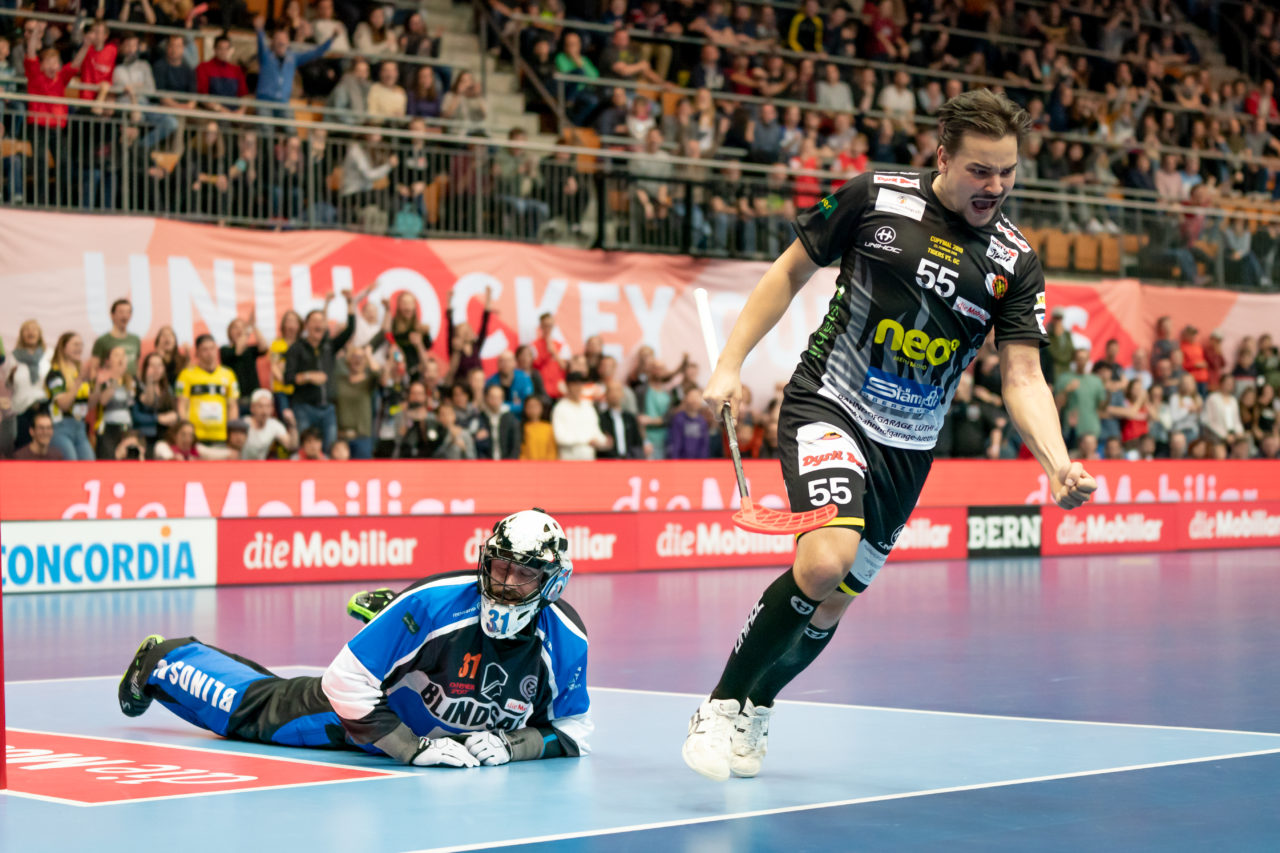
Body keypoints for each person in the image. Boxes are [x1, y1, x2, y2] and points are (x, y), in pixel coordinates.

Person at [680, 89, 1097, 783]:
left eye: (1008, 172)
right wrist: (730, 365)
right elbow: (789, 271)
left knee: (836, 597)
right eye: (980, 170)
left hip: (908, 446)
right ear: (943, 157)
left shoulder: (1015, 261)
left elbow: (1023, 375)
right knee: (824, 561)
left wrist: (1056, 463)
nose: (995, 186)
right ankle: (721, 704)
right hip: (832, 403)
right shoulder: (875, 195)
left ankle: (759, 703)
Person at [118, 509, 592, 767]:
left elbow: (573, 728)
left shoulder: (567, 639)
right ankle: (164, 660)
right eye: (500, 566)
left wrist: (514, 745)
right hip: (366, 722)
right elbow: (343, 683)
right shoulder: (436, 602)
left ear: (553, 582)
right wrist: (411, 748)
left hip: (448, 752)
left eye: (524, 574)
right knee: (253, 711)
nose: (505, 583)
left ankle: (386, 620)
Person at [285, 293, 357, 453]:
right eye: (315, 321)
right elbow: (288, 378)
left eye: (322, 321)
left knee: (330, 450)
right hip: (304, 407)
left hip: (328, 408)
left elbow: (350, 330)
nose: (319, 324)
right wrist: (308, 376)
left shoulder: (329, 346)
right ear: (306, 326)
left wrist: (350, 303)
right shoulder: (296, 348)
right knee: (305, 451)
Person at [175, 334, 241, 447]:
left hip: (221, 436)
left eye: (212, 348)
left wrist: (231, 431)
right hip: (195, 436)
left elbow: (232, 405)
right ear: (197, 353)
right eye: (205, 349)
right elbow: (182, 404)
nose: (209, 353)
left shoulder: (229, 374)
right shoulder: (186, 375)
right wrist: (186, 432)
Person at [90, 298, 143, 378]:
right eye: (121, 312)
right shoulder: (102, 340)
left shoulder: (135, 339)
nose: (125, 316)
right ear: (112, 315)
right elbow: (94, 368)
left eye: (128, 312)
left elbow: (137, 366)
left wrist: (139, 382)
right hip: (112, 383)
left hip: (132, 383)